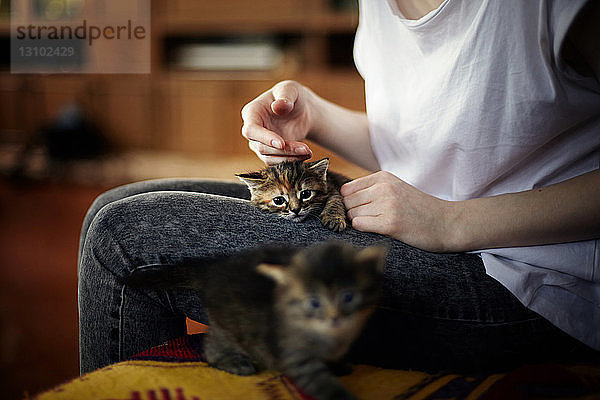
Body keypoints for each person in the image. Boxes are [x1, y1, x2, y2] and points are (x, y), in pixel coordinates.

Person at [78, 0, 600, 374]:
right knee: (114, 204)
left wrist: (450, 222)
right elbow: (434, 146)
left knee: (122, 235)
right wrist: (313, 112)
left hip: (525, 278)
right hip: (418, 227)